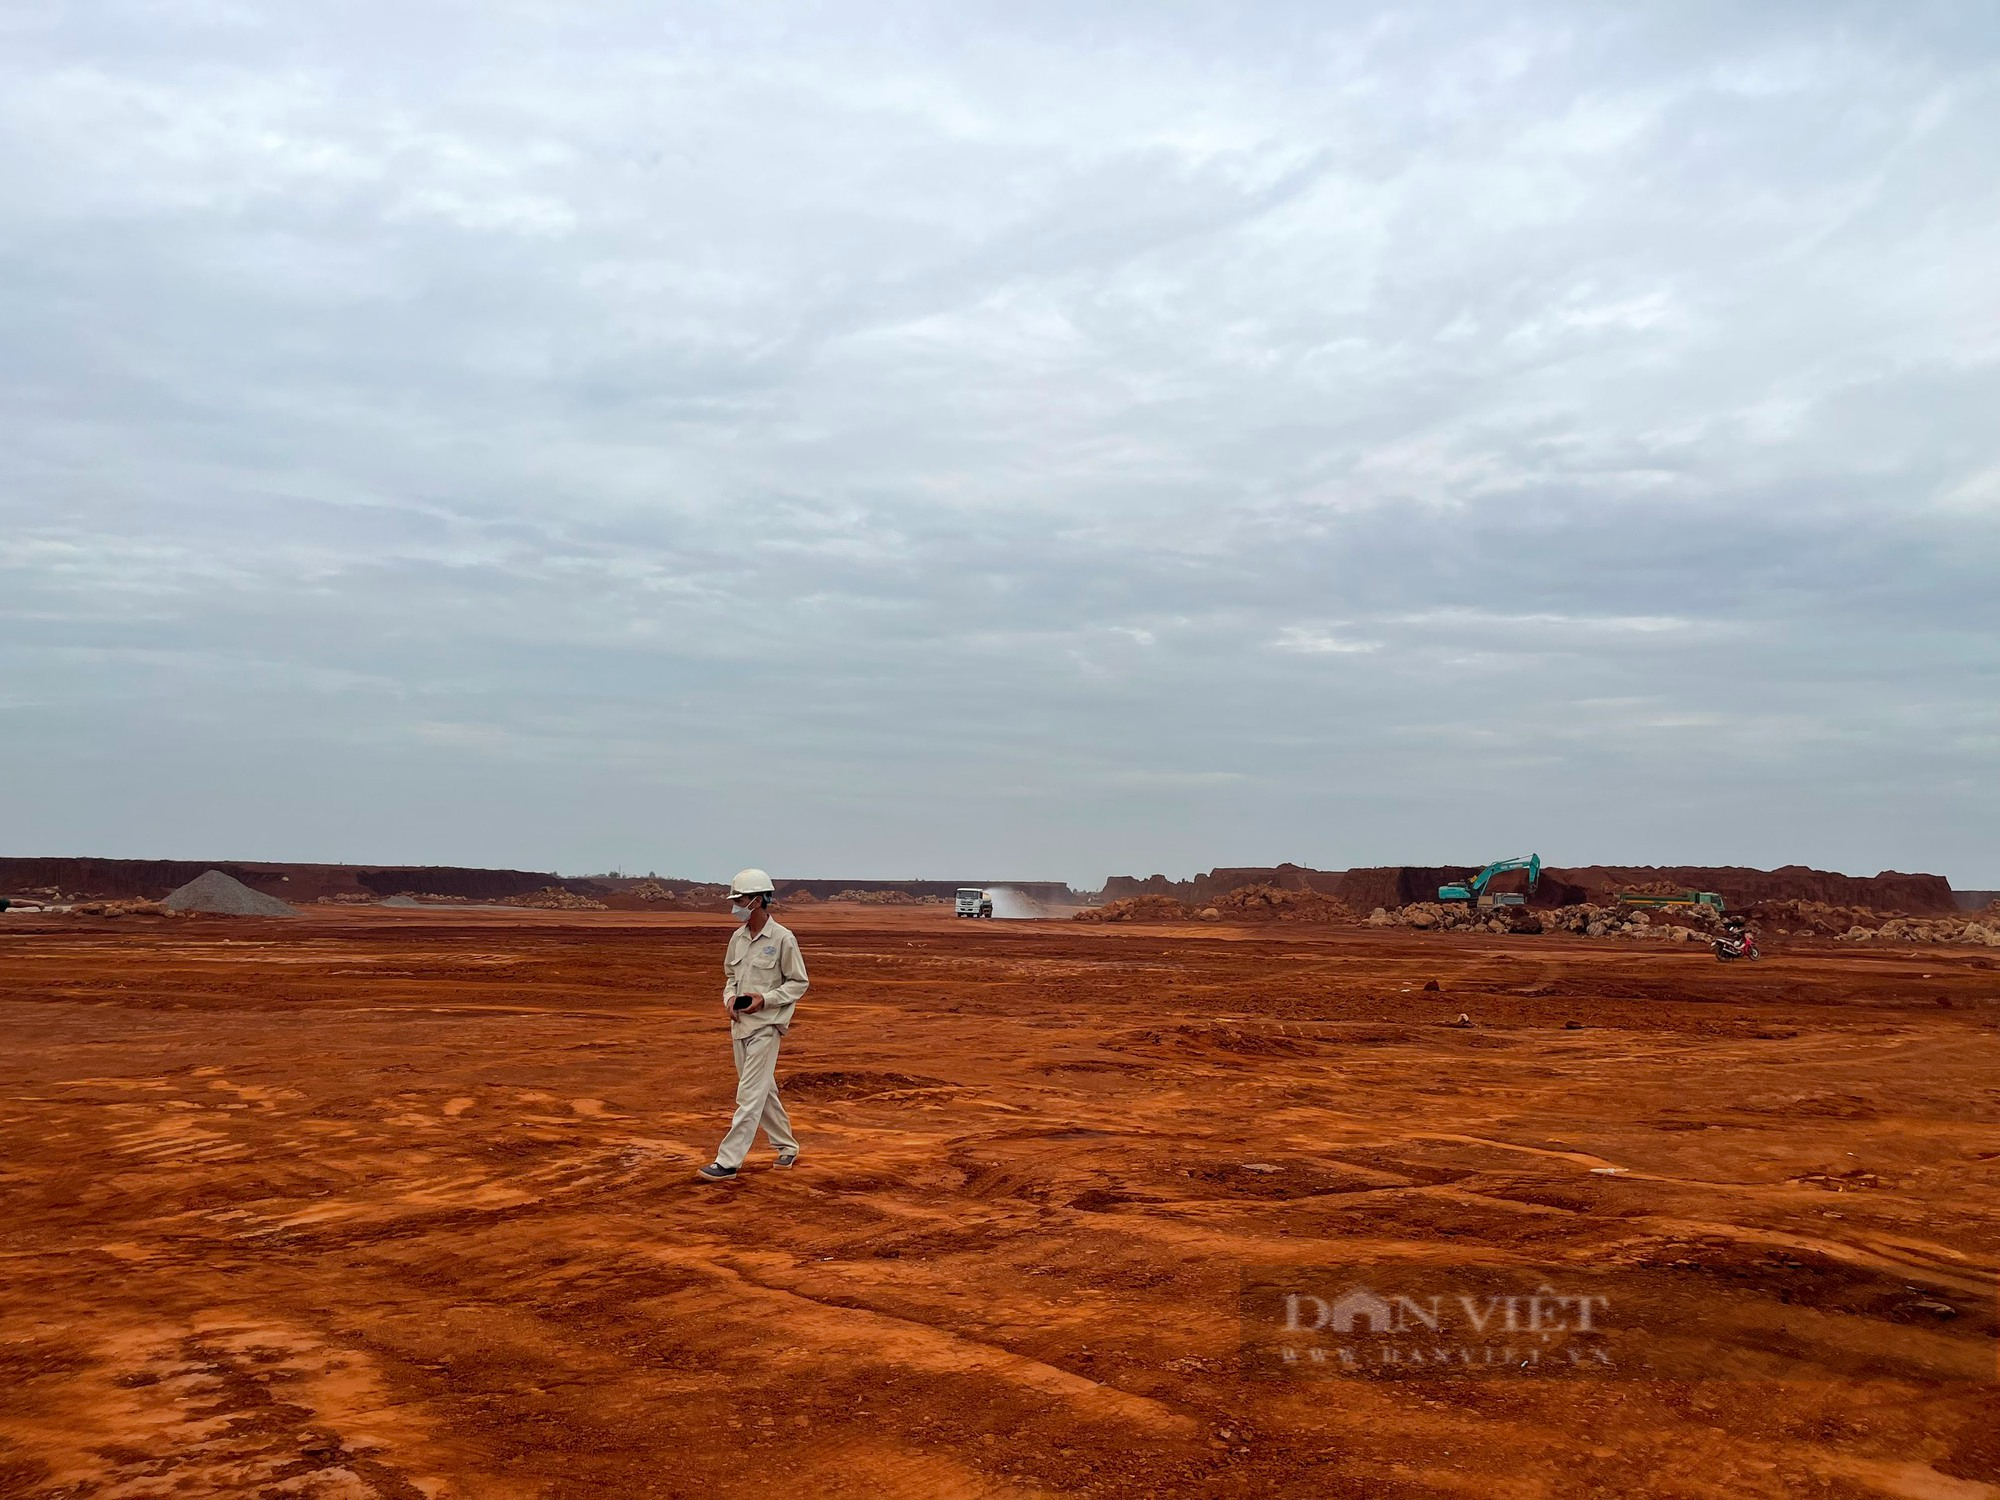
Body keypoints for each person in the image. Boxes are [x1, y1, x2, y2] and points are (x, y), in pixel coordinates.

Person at [696, 869, 809, 1182]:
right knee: (762, 1090)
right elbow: (730, 977)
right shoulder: (738, 938)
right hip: (740, 1027)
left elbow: (799, 983)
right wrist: (730, 998)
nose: (736, 905)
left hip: (766, 1027)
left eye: (741, 899)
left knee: (748, 1095)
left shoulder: (783, 939)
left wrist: (766, 999)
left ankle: (728, 1161)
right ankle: (787, 1145)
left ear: (758, 900)